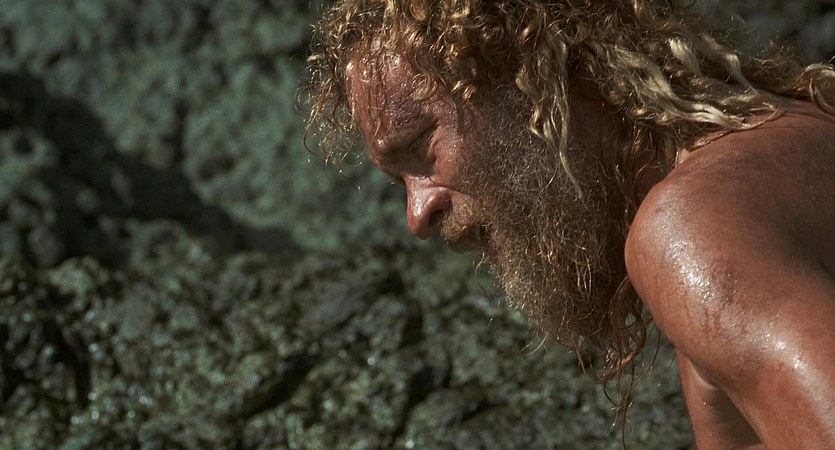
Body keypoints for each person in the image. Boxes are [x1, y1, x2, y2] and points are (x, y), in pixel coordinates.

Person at [303, 0, 835, 447]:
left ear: (531, 72)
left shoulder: (693, 230)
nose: (417, 216)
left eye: (422, 143)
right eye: (398, 182)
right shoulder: (795, 132)